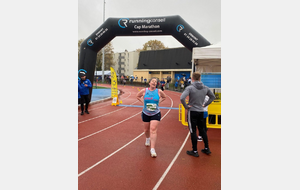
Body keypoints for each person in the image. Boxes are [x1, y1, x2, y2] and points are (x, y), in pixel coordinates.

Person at [180, 72, 215, 157]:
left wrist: (186, 106)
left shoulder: (190, 88)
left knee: (193, 131)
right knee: (202, 130)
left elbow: (182, 98)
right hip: (201, 111)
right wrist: (205, 104)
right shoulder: (205, 88)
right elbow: (213, 97)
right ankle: (207, 148)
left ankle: (195, 151)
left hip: (192, 111)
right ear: (200, 78)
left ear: (192, 78)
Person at [136, 77, 167, 158]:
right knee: (146, 130)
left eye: (155, 82)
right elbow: (137, 96)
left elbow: (164, 97)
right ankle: (147, 138)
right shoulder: (144, 91)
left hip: (155, 113)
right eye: (152, 81)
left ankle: (152, 149)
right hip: (145, 113)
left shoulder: (159, 91)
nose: (154, 82)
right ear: (149, 83)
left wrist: (158, 103)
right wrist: (143, 102)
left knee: (153, 129)